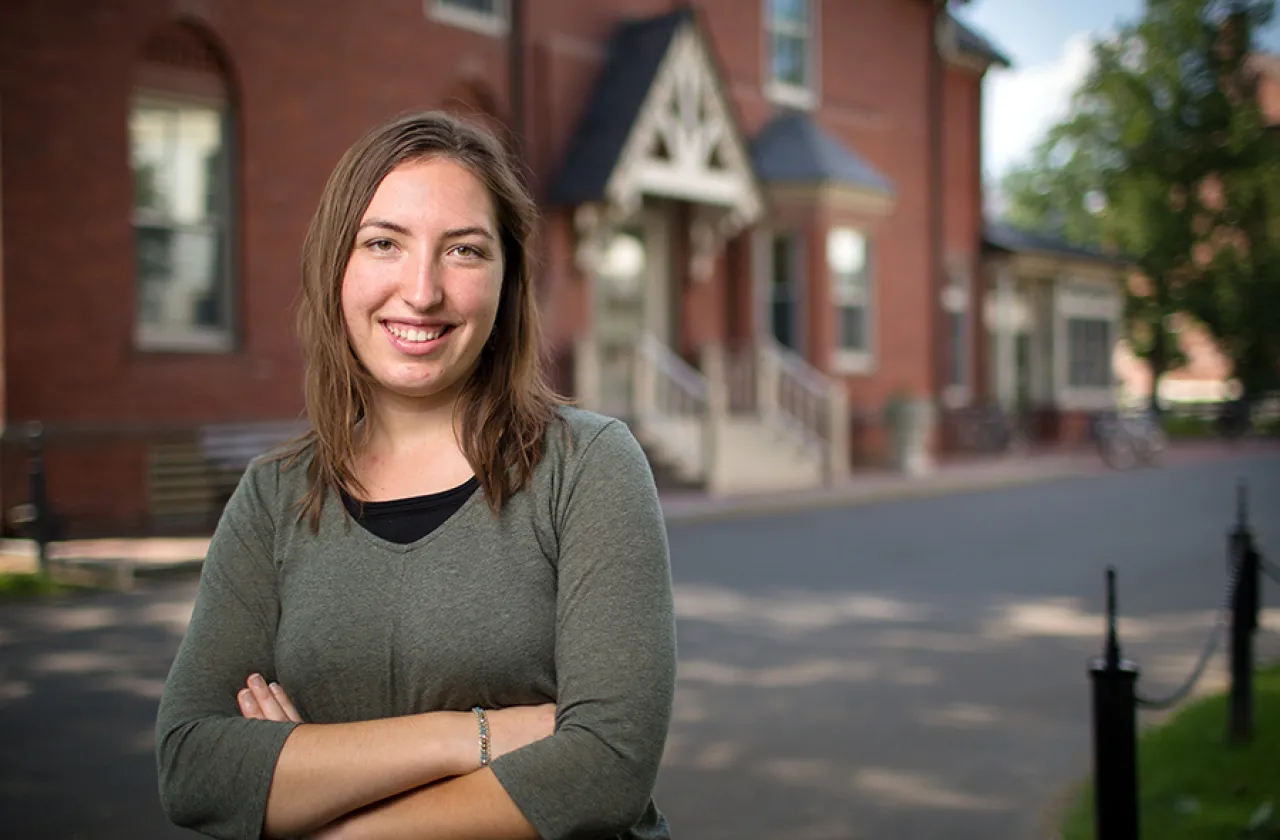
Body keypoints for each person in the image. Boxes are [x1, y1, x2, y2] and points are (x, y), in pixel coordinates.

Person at [155, 110, 677, 840]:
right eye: (383, 244)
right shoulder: (275, 495)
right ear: (336, 264)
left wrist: (311, 787)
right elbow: (193, 766)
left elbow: (606, 767)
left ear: (507, 278)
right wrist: (479, 737)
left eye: (463, 251)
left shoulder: (587, 467)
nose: (422, 291)